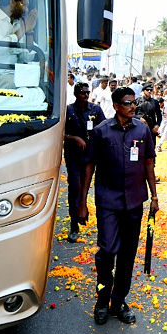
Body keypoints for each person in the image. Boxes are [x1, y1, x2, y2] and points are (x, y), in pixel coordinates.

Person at [79, 86, 158, 325]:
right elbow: (89, 166)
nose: (133, 107)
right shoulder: (102, 132)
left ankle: (118, 301)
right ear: (115, 106)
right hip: (108, 202)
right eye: (127, 103)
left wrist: (154, 196)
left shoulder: (142, 129)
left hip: (134, 201)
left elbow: (148, 164)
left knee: (127, 255)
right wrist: (82, 202)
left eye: (133, 102)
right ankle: (102, 300)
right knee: (107, 252)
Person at [62, 80, 106, 242]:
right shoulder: (68, 111)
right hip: (73, 155)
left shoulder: (95, 109)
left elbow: (104, 129)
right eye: (82, 92)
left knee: (86, 187)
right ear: (75, 94)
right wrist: (74, 138)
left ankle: (84, 209)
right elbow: (59, 133)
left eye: (87, 92)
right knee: (74, 186)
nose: (86, 95)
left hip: (90, 155)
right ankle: (74, 224)